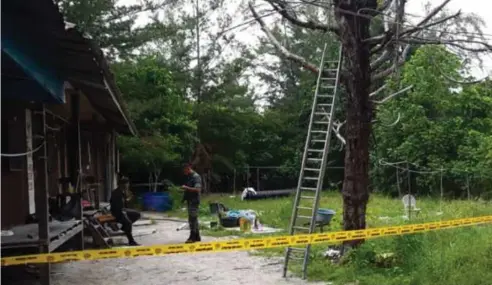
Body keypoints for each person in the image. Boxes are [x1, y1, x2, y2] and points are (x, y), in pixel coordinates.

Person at [110, 177, 140, 246]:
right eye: (127, 184)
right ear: (122, 184)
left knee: (137, 214)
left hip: (122, 210)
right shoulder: (116, 193)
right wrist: (126, 217)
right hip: (117, 212)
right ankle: (131, 241)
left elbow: (124, 203)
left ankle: (124, 227)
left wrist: (128, 199)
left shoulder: (122, 191)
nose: (128, 185)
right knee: (128, 223)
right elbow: (118, 208)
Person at [181, 164, 202, 243]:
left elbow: (197, 189)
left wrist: (186, 188)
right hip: (190, 200)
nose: (184, 172)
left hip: (194, 200)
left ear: (188, 168)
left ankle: (192, 237)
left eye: (184, 171)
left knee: (192, 219)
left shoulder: (196, 177)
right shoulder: (189, 176)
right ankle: (197, 236)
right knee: (194, 219)